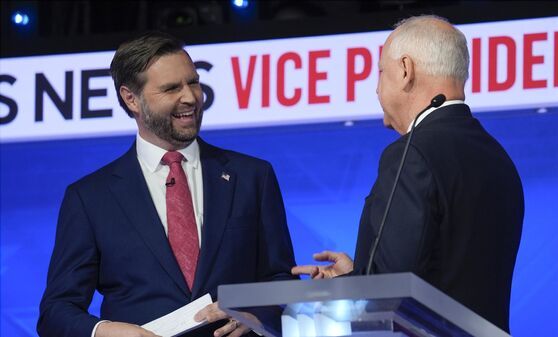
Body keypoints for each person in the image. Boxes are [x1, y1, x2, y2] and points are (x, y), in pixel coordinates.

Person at [38, 31, 297, 337]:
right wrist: (105, 331)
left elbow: (281, 280)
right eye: (172, 88)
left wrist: (255, 313)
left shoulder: (253, 176)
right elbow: (56, 311)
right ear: (131, 98)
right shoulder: (90, 198)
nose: (190, 97)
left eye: (194, 82)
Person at [292, 15, 524, 333]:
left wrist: (351, 287)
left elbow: (388, 293)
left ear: (405, 70)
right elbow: (444, 271)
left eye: (381, 73)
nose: (376, 89)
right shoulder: (498, 157)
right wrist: (360, 274)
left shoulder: (412, 153)